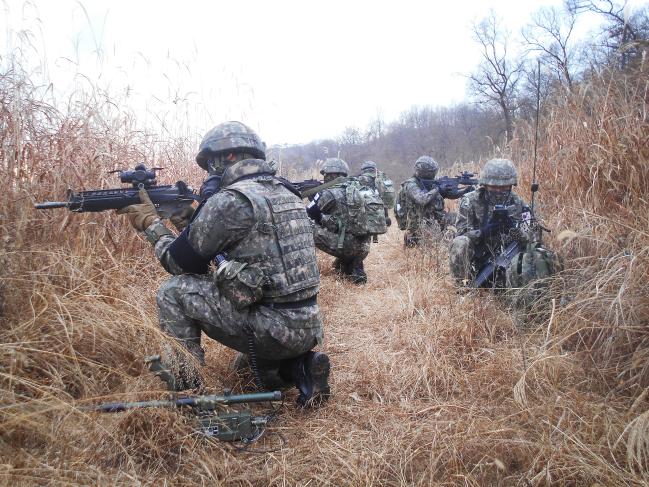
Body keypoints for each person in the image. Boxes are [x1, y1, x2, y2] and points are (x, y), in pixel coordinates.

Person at [117, 121, 330, 406]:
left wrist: (151, 225)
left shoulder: (231, 200)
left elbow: (178, 264)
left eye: (209, 164)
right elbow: (243, 252)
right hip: (307, 326)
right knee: (244, 371)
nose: (208, 172)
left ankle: (186, 391)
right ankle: (302, 367)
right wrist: (192, 223)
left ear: (228, 157)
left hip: (272, 328)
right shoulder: (286, 192)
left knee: (173, 291)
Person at [449, 158, 532, 286]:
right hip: (478, 260)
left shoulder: (518, 203)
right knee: (460, 242)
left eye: (503, 187)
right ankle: (463, 286)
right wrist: (483, 232)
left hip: (509, 258)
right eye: (494, 187)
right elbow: (461, 235)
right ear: (485, 184)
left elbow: (532, 239)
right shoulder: (470, 201)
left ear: (511, 185)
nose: (498, 191)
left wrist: (513, 229)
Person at [306, 158, 386, 285]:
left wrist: (315, 197)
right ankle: (354, 265)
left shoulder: (329, 193)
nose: (324, 178)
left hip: (344, 246)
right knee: (342, 264)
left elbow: (308, 213)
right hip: (364, 248)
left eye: (325, 175)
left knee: (305, 226)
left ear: (330, 174)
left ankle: (306, 269)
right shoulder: (361, 188)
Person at [395, 156, 446, 247]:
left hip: (428, 221)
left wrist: (464, 191)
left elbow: (450, 194)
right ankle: (412, 238)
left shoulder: (429, 182)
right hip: (416, 223)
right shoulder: (411, 184)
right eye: (430, 172)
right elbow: (422, 199)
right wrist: (438, 189)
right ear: (423, 172)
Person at [358, 160, 394, 231]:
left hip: (363, 217)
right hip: (380, 217)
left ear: (363, 170)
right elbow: (387, 200)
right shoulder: (381, 179)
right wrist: (386, 216)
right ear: (375, 169)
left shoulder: (358, 180)